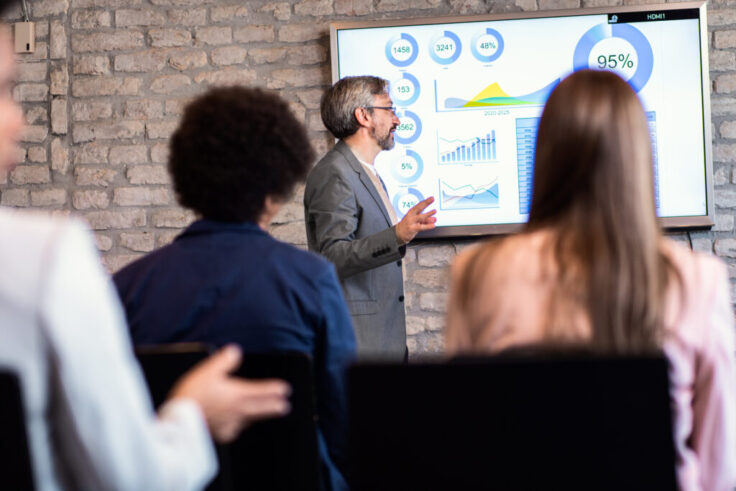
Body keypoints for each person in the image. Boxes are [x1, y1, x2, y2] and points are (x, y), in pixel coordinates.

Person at [0, 18, 290, 491]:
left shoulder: (129, 284)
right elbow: (130, 479)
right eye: (6, 89)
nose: (20, 121)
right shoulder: (47, 257)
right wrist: (193, 413)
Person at [445, 70, 736, 491]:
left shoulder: (477, 272)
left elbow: (467, 434)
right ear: (638, 156)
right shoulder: (696, 279)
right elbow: (719, 463)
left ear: (545, 155)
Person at [113, 86, 356, 491]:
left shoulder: (128, 288)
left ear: (188, 179)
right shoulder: (311, 281)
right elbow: (344, 421)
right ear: (278, 189)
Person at [304, 76, 437, 360]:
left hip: (382, 339)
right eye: (389, 109)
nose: (397, 120)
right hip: (358, 346)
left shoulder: (365, 172)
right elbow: (332, 255)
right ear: (363, 116)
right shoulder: (335, 173)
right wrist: (397, 235)